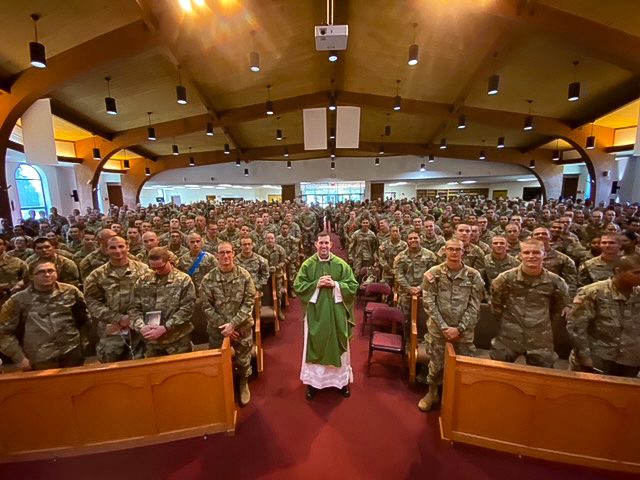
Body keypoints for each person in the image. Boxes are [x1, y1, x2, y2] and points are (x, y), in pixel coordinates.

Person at [418, 239, 484, 412]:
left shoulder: (473, 275)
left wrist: (459, 328)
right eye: (451, 249)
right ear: (445, 251)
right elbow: (429, 302)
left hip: (464, 331)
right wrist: (444, 327)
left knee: (463, 366)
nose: (454, 253)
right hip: (439, 330)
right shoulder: (433, 274)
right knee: (436, 365)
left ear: (464, 252)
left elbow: (475, 305)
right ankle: (432, 392)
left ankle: (458, 397)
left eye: (458, 250)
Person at [294, 232, 359, 400]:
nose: (323, 246)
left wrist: (336, 284)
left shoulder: (341, 265)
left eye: (326, 243)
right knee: (315, 345)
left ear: (331, 245)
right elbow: (298, 286)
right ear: (316, 245)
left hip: (337, 314)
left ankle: (342, 382)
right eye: (320, 243)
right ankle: (313, 383)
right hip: (315, 314)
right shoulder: (308, 265)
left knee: (339, 344)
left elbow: (353, 285)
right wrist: (316, 284)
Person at [490, 239, 569, 368]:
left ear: (544, 254)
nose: (531, 256)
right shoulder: (504, 279)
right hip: (508, 337)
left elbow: (557, 310)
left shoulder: (556, 283)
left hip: (540, 339)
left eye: (536, 252)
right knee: (497, 376)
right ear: (520, 255)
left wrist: (540, 323)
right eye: (526, 252)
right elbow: (496, 306)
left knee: (541, 380)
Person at [0, 260, 88, 370]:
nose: (47, 274)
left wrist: (83, 344)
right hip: (39, 359)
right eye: (41, 272)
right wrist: (19, 357)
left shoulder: (71, 292)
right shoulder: (18, 300)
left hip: (72, 353)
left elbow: (86, 319)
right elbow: (3, 333)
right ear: (31, 276)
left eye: (50, 271)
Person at [199, 242, 256, 406]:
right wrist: (225, 326)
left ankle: (243, 382)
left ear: (233, 254)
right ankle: (222, 385)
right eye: (222, 253)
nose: (225, 256)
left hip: (242, 327)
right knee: (218, 360)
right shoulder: (208, 279)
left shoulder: (244, 275)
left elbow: (248, 303)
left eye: (228, 252)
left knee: (243, 359)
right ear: (216, 255)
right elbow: (206, 306)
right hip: (218, 330)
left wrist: (233, 324)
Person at [566, 254, 640, 377]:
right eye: (636, 272)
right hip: (597, 358)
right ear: (618, 271)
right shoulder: (593, 292)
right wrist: (585, 358)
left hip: (629, 360)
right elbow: (577, 328)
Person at [84, 236, 149, 362]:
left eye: (121, 246)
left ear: (127, 247)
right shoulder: (97, 275)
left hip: (139, 326)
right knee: (112, 366)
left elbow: (151, 295)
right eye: (112, 248)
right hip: (112, 329)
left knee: (142, 365)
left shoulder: (143, 270)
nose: (117, 251)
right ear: (106, 250)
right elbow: (91, 301)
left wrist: (135, 317)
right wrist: (117, 318)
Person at [129, 247, 196, 357]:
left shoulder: (183, 280)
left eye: (160, 267)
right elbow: (134, 308)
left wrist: (165, 327)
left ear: (169, 261)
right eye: (153, 268)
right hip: (151, 342)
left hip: (177, 339)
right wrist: (141, 327)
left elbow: (187, 308)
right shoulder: (143, 281)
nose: (156, 271)